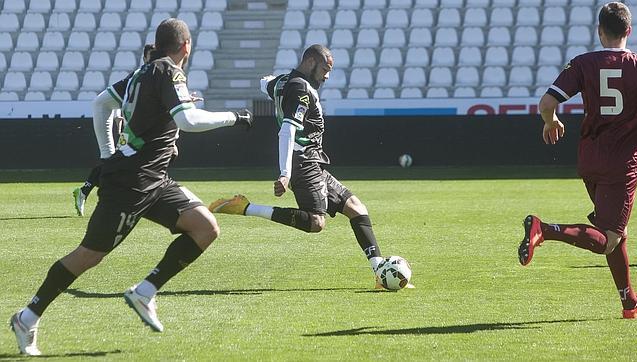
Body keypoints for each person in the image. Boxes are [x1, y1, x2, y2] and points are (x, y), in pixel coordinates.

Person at [9, 18, 253, 356]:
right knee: (89, 255)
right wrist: (234, 117)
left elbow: (101, 104)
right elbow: (188, 120)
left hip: (153, 178)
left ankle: (145, 291)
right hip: (133, 182)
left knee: (206, 227)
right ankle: (28, 316)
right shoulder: (169, 72)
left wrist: (108, 152)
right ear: (186, 46)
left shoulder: (144, 72)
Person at [210, 44, 401, 287]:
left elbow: (265, 82)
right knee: (316, 222)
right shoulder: (300, 89)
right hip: (303, 163)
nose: (327, 76)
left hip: (313, 162)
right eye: (324, 69)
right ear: (310, 62)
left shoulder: (283, 83)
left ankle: (379, 272)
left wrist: (273, 82)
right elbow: (287, 130)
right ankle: (246, 207)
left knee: (356, 207)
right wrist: (285, 173)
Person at [519, 2, 637, 319]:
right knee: (608, 239)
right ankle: (544, 229)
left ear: (600, 31)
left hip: (589, 159)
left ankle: (630, 302)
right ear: (629, 30)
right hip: (622, 164)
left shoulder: (583, 63)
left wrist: (551, 122)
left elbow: (547, 103)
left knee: (614, 231)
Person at [73, 44, 156, 216]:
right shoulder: (140, 75)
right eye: (151, 56)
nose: (154, 59)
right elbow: (127, 101)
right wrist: (121, 120)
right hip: (103, 109)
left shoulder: (151, 76)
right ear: (145, 58)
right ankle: (104, 201)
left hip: (113, 110)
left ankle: (85, 192)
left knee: (113, 160)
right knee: (111, 160)